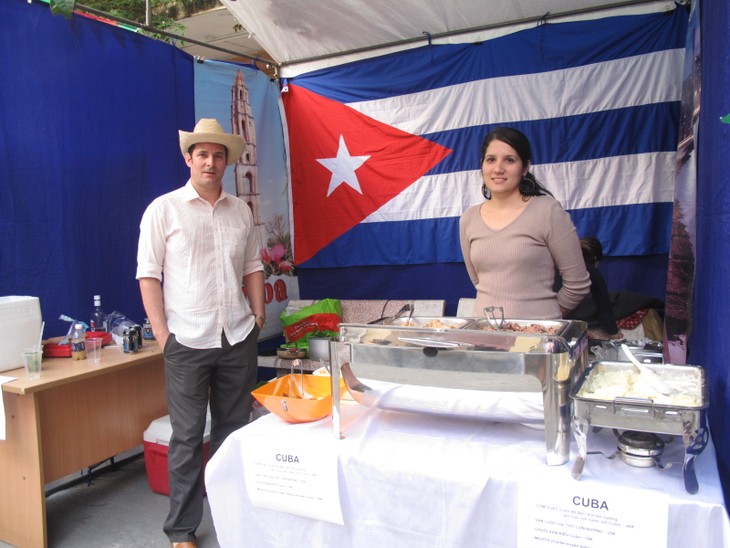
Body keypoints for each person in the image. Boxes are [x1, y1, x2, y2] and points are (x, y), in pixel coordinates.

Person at [136, 118, 265, 548]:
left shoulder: (241, 210)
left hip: (237, 335)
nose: (210, 162)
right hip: (187, 341)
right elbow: (148, 275)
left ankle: (233, 515)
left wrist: (259, 315)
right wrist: (161, 333)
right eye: (202, 154)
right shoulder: (164, 209)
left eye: (218, 155)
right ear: (188, 159)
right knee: (188, 437)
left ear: (227, 161)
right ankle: (182, 530)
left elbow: (252, 266)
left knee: (232, 433)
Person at [459, 127, 590, 319]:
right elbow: (479, 282)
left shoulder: (548, 211)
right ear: (482, 166)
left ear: (525, 167)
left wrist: (546, 318)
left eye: (509, 160)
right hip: (484, 337)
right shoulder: (468, 219)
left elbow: (578, 285)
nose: (498, 168)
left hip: (536, 341)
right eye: (491, 159)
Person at [572, 237, 624, 340]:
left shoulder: (563, 263)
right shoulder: (592, 272)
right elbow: (604, 306)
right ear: (596, 259)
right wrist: (614, 332)